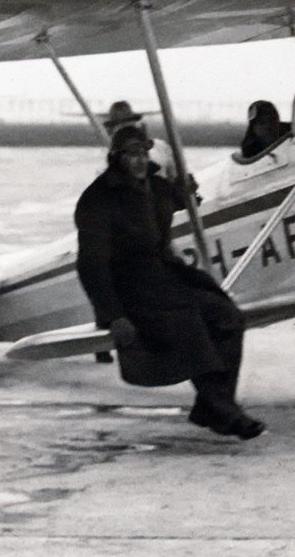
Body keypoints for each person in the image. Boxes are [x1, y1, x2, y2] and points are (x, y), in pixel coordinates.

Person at [74, 125, 264, 439]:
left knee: (228, 316)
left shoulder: (156, 185)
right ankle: (224, 412)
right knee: (189, 322)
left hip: (165, 274)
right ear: (116, 158)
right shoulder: (98, 199)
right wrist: (114, 316)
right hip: (131, 286)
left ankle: (211, 405)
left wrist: (183, 193)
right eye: (131, 154)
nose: (139, 160)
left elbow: (164, 205)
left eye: (143, 153)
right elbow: (91, 265)